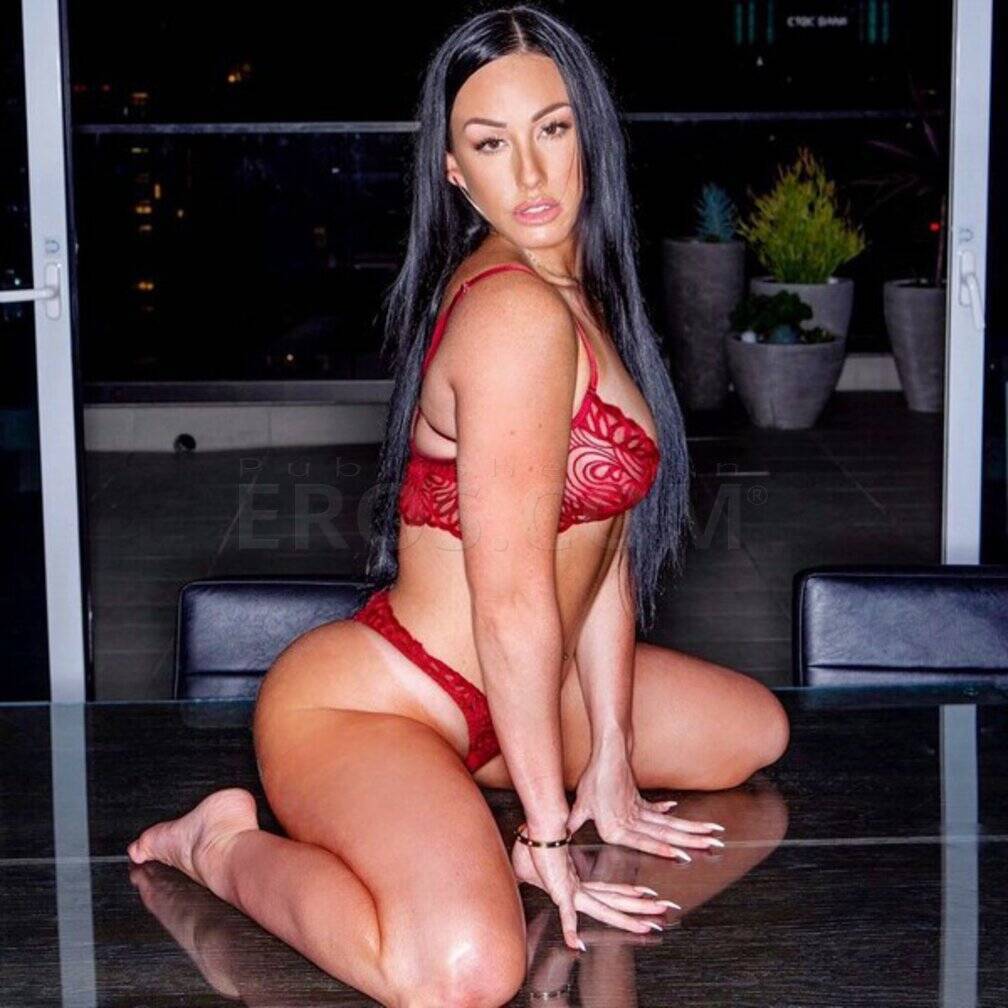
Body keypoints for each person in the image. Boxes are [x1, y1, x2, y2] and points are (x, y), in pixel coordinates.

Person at [126, 6, 790, 1006]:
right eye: (490, 143)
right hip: (378, 702)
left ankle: (480, 796)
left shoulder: (579, 294)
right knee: (463, 975)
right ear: (452, 170)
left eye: (552, 129)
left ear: (589, 135)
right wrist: (549, 833)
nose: (530, 173)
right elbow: (513, 600)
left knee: (751, 733)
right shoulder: (512, 311)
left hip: (524, 690)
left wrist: (610, 762)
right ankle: (220, 845)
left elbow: (604, 544)